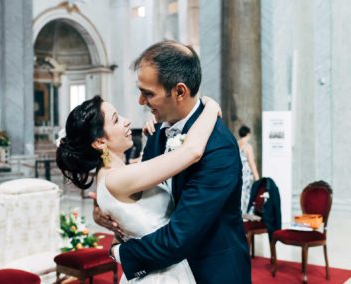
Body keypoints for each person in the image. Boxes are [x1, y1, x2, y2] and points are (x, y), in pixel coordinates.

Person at [93, 40, 251, 284]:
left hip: (211, 272)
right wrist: (109, 209)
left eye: (148, 93)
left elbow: (180, 237)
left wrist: (119, 252)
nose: (140, 101)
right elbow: (146, 200)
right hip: (165, 271)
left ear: (179, 91)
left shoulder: (218, 146)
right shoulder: (157, 134)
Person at [56, 95, 221, 283]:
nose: (127, 122)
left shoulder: (117, 173)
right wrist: (209, 106)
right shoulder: (116, 179)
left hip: (163, 265)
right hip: (162, 274)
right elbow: (192, 152)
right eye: (116, 120)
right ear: (100, 142)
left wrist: (156, 133)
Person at [237, 125, 260, 213]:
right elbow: (251, 163)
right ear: (248, 134)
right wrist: (257, 177)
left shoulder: (236, 144)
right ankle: (245, 215)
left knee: (239, 195)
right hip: (246, 174)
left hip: (237, 173)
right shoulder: (247, 147)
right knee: (247, 195)